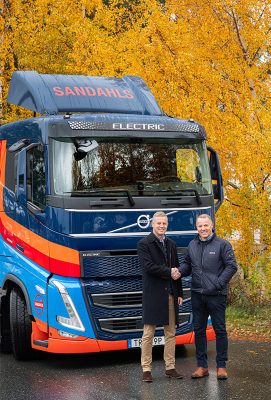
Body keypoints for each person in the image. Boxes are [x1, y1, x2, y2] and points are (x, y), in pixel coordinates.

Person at [179, 214, 237, 380]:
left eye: (206, 225)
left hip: (217, 295)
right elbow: (188, 265)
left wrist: (218, 284)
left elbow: (231, 266)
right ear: (196, 228)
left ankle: (221, 366)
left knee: (220, 330)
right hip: (198, 295)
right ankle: (202, 366)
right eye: (200, 226)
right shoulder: (192, 245)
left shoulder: (222, 244)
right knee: (198, 330)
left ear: (211, 226)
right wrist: (179, 271)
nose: (203, 229)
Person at [137, 211, 183, 383]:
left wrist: (179, 293)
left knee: (171, 332)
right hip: (153, 294)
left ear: (167, 225)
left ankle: (170, 368)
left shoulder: (171, 244)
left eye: (164, 223)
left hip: (170, 294)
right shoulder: (144, 244)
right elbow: (148, 267)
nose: (162, 226)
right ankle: (146, 369)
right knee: (148, 333)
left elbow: (176, 269)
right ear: (152, 224)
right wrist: (169, 271)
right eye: (159, 223)